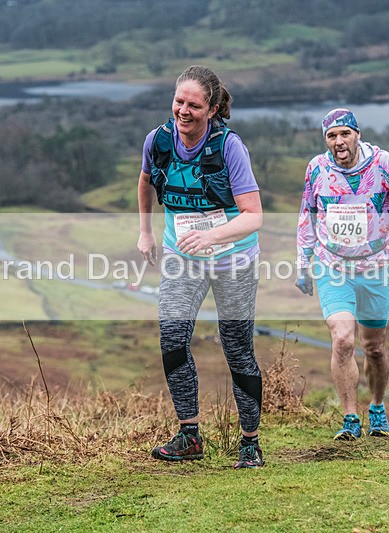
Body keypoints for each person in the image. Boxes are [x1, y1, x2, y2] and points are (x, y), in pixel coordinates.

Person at [137, 65, 265, 468]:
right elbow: (145, 182)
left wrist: (214, 236)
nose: (184, 111)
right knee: (172, 339)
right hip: (182, 256)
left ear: (211, 109)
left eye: (194, 105)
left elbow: (254, 215)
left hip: (233, 258)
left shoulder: (230, 146)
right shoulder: (157, 141)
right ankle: (189, 435)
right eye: (179, 102)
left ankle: (249, 443)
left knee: (237, 347)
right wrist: (146, 232)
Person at [294, 108, 389, 441]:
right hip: (333, 265)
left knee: (375, 348)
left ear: (357, 134)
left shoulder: (384, 164)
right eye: (331, 136)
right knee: (342, 340)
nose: (338, 142)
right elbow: (306, 217)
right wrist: (303, 262)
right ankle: (350, 418)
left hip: (375, 266)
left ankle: (378, 408)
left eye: (344, 134)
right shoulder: (317, 168)